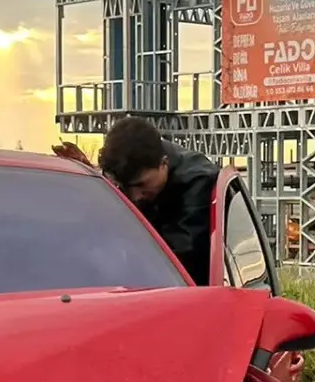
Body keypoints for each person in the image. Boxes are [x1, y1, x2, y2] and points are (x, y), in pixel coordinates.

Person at [53, 117, 218, 284]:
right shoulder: (143, 168)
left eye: (141, 185)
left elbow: (177, 261)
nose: (134, 196)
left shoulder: (199, 183)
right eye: (124, 187)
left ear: (164, 163)